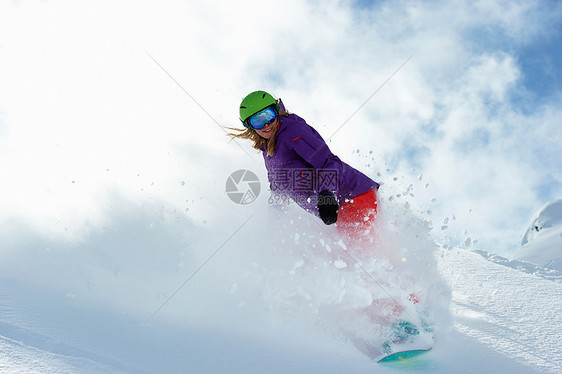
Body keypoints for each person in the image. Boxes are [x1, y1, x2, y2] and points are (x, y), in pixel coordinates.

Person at [230, 90, 381, 250]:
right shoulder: (267, 148)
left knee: (360, 257)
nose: (266, 124)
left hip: (354, 196)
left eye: (268, 115)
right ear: (249, 126)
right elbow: (277, 182)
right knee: (349, 258)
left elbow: (328, 161)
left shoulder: (293, 132)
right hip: (343, 205)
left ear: (276, 110)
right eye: (258, 121)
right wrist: (276, 215)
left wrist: (326, 195)